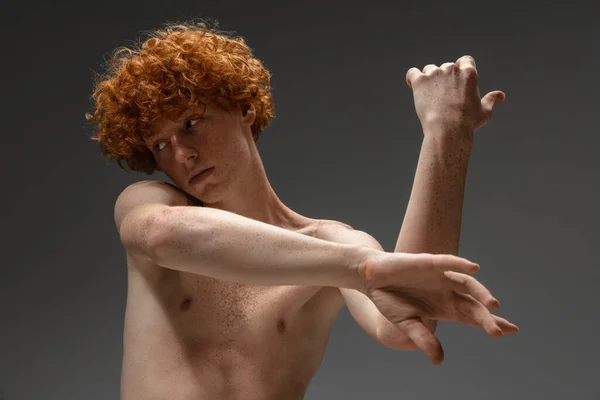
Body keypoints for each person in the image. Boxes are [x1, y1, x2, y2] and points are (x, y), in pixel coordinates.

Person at [86, 22, 518, 400]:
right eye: (160, 145)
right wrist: (359, 269)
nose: (182, 154)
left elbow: (408, 323)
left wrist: (446, 133)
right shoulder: (150, 203)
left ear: (243, 108)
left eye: (190, 123)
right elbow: (162, 236)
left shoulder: (335, 245)